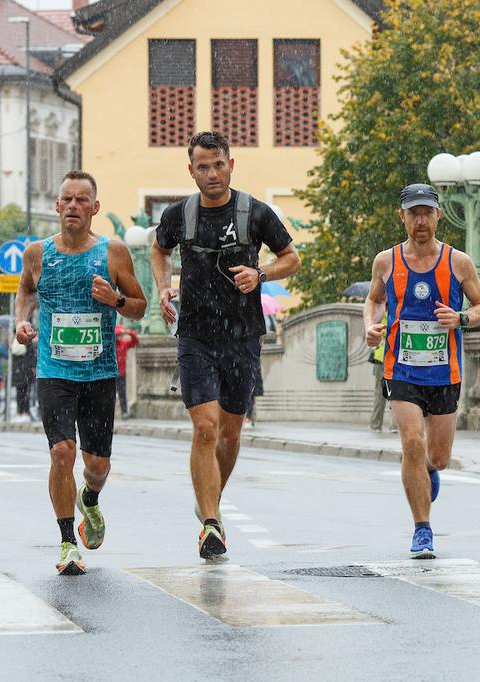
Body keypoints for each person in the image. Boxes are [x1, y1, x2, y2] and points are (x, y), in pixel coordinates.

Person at [151, 130, 300, 561]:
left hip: (242, 335)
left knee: (231, 434)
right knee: (205, 427)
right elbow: (158, 251)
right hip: (195, 335)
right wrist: (163, 288)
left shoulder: (255, 212)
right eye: (203, 166)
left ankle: (209, 499)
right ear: (191, 170)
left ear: (231, 164)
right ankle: (211, 524)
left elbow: (292, 257)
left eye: (218, 165)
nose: (212, 173)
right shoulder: (179, 214)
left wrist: (262, 274)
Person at [15, 170, 147, 575]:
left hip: (99, 371)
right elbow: (24, 289)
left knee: (97, 465)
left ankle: (89, 498)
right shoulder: (37, 253)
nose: (73, 206)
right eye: (67, 200)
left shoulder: (114, 252)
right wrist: (21, 322)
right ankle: (68, 543)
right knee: (61, 452)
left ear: (95, 208)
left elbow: (140, 306)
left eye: (81, 200)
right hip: (53, 368)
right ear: (57, 206)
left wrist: (116, 297)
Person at [363, 183, 480, 559]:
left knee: (438, 458)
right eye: (413, 213)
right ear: (402, 216)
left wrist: (462, 318)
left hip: (444, 372)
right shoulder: (386, 261)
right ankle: (422, 530)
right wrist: (370, 325)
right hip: (400, 368)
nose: (421, 220)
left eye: (427, 213)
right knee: (411, 443)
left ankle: (428, 472)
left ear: (438, 215)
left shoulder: (458, 262)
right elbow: (373, 299)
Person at [114, 324, 140, 419]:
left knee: (122, 393)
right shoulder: (112, 344)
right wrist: (119, 331)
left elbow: (135, 341)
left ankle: (124, 411)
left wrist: (129, 332)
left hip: (121, 373)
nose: (120, 336)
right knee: (110, 394)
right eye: (119, 334)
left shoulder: (123, 344)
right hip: (112, 373)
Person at [10, 337, 37, 422]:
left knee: (22, 393)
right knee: (23, 393)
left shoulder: (18, 343)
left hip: (21, 372)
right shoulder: (28, 344)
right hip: (24, 372)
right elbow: (33, 359)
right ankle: (23, 412)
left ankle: (23, 412)